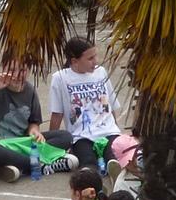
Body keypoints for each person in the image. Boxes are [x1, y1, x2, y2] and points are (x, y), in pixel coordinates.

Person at [47, 38, 131, 170]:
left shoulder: (101, 72)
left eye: (95, 56)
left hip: (108, 131)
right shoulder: (60, 78)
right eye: (90, 58)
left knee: (114, 158)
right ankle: (90, 182)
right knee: (88, 162)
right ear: (74, 61)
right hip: (81, 136)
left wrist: (115, 129)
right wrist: (52, 149)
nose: (95, 61)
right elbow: (57, 114)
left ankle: (115, 176)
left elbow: (109, 105)